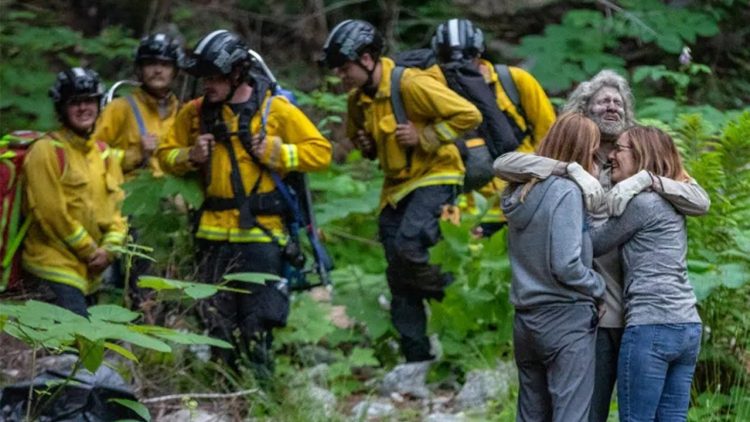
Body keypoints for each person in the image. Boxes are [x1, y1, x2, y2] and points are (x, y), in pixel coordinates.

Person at [493, 69, 710, 422]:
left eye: (618, 101)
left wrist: (647, 179)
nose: (612, 106)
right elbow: (504, 164)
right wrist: (570, 169)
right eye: (602, 101)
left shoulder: (637, 158)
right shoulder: (576, 159)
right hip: (596, 313)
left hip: (643, 315)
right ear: (585, 109)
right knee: (585, 411)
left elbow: (700, 200)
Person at [156, 30, 331, 379]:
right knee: (215, 318)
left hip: (262, 233)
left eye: (215, 78)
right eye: (204, 78)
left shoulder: (275, 109)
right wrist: (189, 156)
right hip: (211, 232)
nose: (208, 85)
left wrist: (280, 153)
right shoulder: (194, 114)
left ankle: (262, 391)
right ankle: (224, 388)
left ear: (238, 74)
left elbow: (321, 152)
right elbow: (164, 155)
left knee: (258, 318)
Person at [320, 20, 481, 368]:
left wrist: (426, 134)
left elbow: (469, 115)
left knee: (410, 246)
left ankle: (454, 295)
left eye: (345, 68)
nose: (341, 76)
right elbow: (365, 144)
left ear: (366, 59)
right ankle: (416, 358)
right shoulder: (357, 101)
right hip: (395, 187)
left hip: (437, 173)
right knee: (397, 270)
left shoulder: (410, 83)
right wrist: (365, 146)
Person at [591, 126, 702, 421]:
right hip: (687, 325)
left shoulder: (642, 203)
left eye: (620, 149)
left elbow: (594, 244)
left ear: (641, 155)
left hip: (650, 325)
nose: (611, 155)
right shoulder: (672, 200)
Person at [502, 113, 605, 422]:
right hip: (565, 320)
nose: (597, 159)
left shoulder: (520, 191)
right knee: (570, 415)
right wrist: (599, 287)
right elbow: (566, 264)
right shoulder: (567, 192)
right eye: (594, 150)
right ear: (582, 151)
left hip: (526, 320)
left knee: (531, 415)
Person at [432, 18, 555, 237]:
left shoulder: (514, 81)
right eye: (447, 59)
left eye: (468, 56)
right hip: (461, 209)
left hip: (519, 200)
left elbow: (550, 138)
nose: (458, 65)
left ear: (479, 52)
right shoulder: (432, 92)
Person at [22, 67, 128, 317]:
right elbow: (51, 213)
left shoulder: (104, 154)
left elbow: (119, 211)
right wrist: (90, 250)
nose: (83, 109)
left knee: (97, 349)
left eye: (89, 101)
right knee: (70, 350)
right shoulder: (45, 151)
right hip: (53, 267)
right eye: (75, 103)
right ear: (62, 109)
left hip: (93, 272)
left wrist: (110, 250)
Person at [94, 32, 184, 178]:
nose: (158, 70)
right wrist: (135, 155)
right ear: (139, 69)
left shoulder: (182, 112)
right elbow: (90, 153)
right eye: (150, 63)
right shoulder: (120, 108)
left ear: (175, 71)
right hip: (130, 194)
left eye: (165, 64)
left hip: (171, 196)